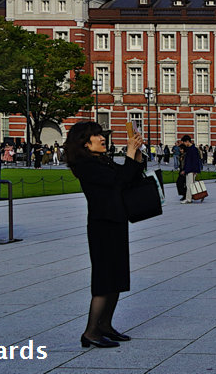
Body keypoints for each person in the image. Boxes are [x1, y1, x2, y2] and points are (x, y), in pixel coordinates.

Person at [65, 121, 143, 349]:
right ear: (85, 143)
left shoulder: (101, 160)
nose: (103, 139)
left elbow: (128, 178)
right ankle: (90, 331)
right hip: (102, 225)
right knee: (103, 278)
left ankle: (105, 325)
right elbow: (117, 182)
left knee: (117, 276)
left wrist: (136, 154)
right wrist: (129, 152)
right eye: (97, 136)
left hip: (116, 221)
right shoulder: (85, 165)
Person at [179, 135, 202, 204]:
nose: (184, 144)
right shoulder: (191, 149)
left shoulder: (193, 149)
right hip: (189, 169)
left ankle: (188, 199)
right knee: (189, 185)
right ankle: (190, 197)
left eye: (184, 142)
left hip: (191, 170)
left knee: (189, 185)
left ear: (187, 141)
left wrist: (194, 170)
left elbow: (195, 161)